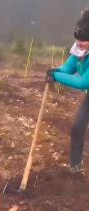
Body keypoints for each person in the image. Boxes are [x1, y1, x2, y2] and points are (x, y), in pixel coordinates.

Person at [46, 9, 89, 174]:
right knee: (78, 126)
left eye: (83, 42)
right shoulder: (79, 48)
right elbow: (69, 68)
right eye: (77, 41)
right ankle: (76, 167)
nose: (79, 44)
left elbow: (84, 82)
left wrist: (56, 77)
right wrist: (55, 71)